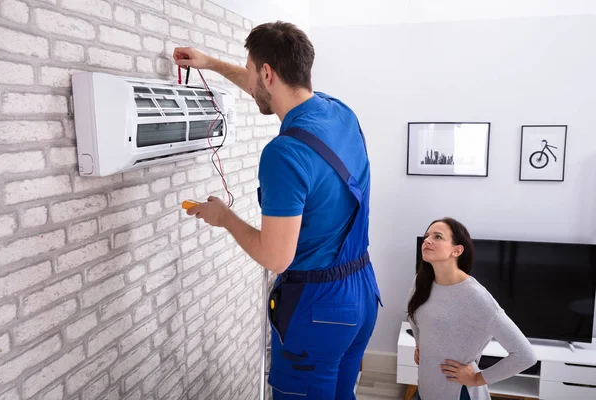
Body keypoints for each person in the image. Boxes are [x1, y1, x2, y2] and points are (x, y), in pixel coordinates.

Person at [174, 22, 382, 399]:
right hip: (361, 295)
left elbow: (276, 257)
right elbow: (265, 90)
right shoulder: (339, 113)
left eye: (252, 72)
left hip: (320, 309)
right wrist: (211, 64)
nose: (251, 82)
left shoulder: (284, 153)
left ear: (267, 73)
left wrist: (224, 218)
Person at [407, 217, 537, 400]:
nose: (427, 240)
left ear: (457, 250)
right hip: (425, 390)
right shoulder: (422, 281)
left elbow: (525, 355)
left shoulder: (476, 297)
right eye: (427, 235)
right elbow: (414, 318)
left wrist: (478, 378)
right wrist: (420, 343)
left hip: (458, 394)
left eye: (437, 236)